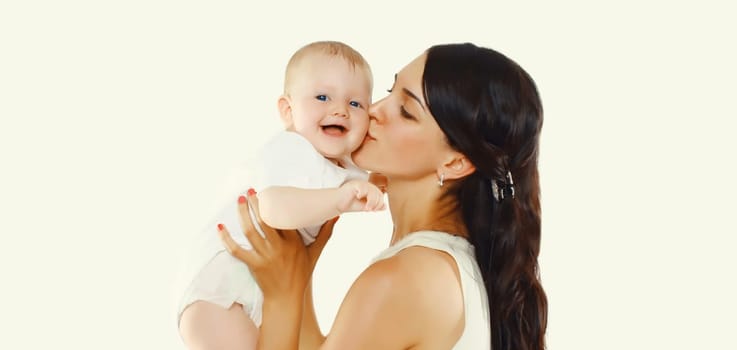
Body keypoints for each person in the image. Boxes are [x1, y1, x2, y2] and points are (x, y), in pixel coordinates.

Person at [217, 43, 548, 350]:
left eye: (405, 109)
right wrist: (299, 275)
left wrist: (282, 297)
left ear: (455, 162)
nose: (372, 110)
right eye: (389, 92)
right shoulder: (446, 266)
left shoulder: (405, 279)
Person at [175, 41, 387, 350]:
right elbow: (272, 208)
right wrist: (340, 200)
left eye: (356, 104)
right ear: (288, 111)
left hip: (258, 288)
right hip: (220, 288)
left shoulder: (340, 164)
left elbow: (367, 183)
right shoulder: (294, 149)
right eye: (322, 97)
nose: (340, 109)